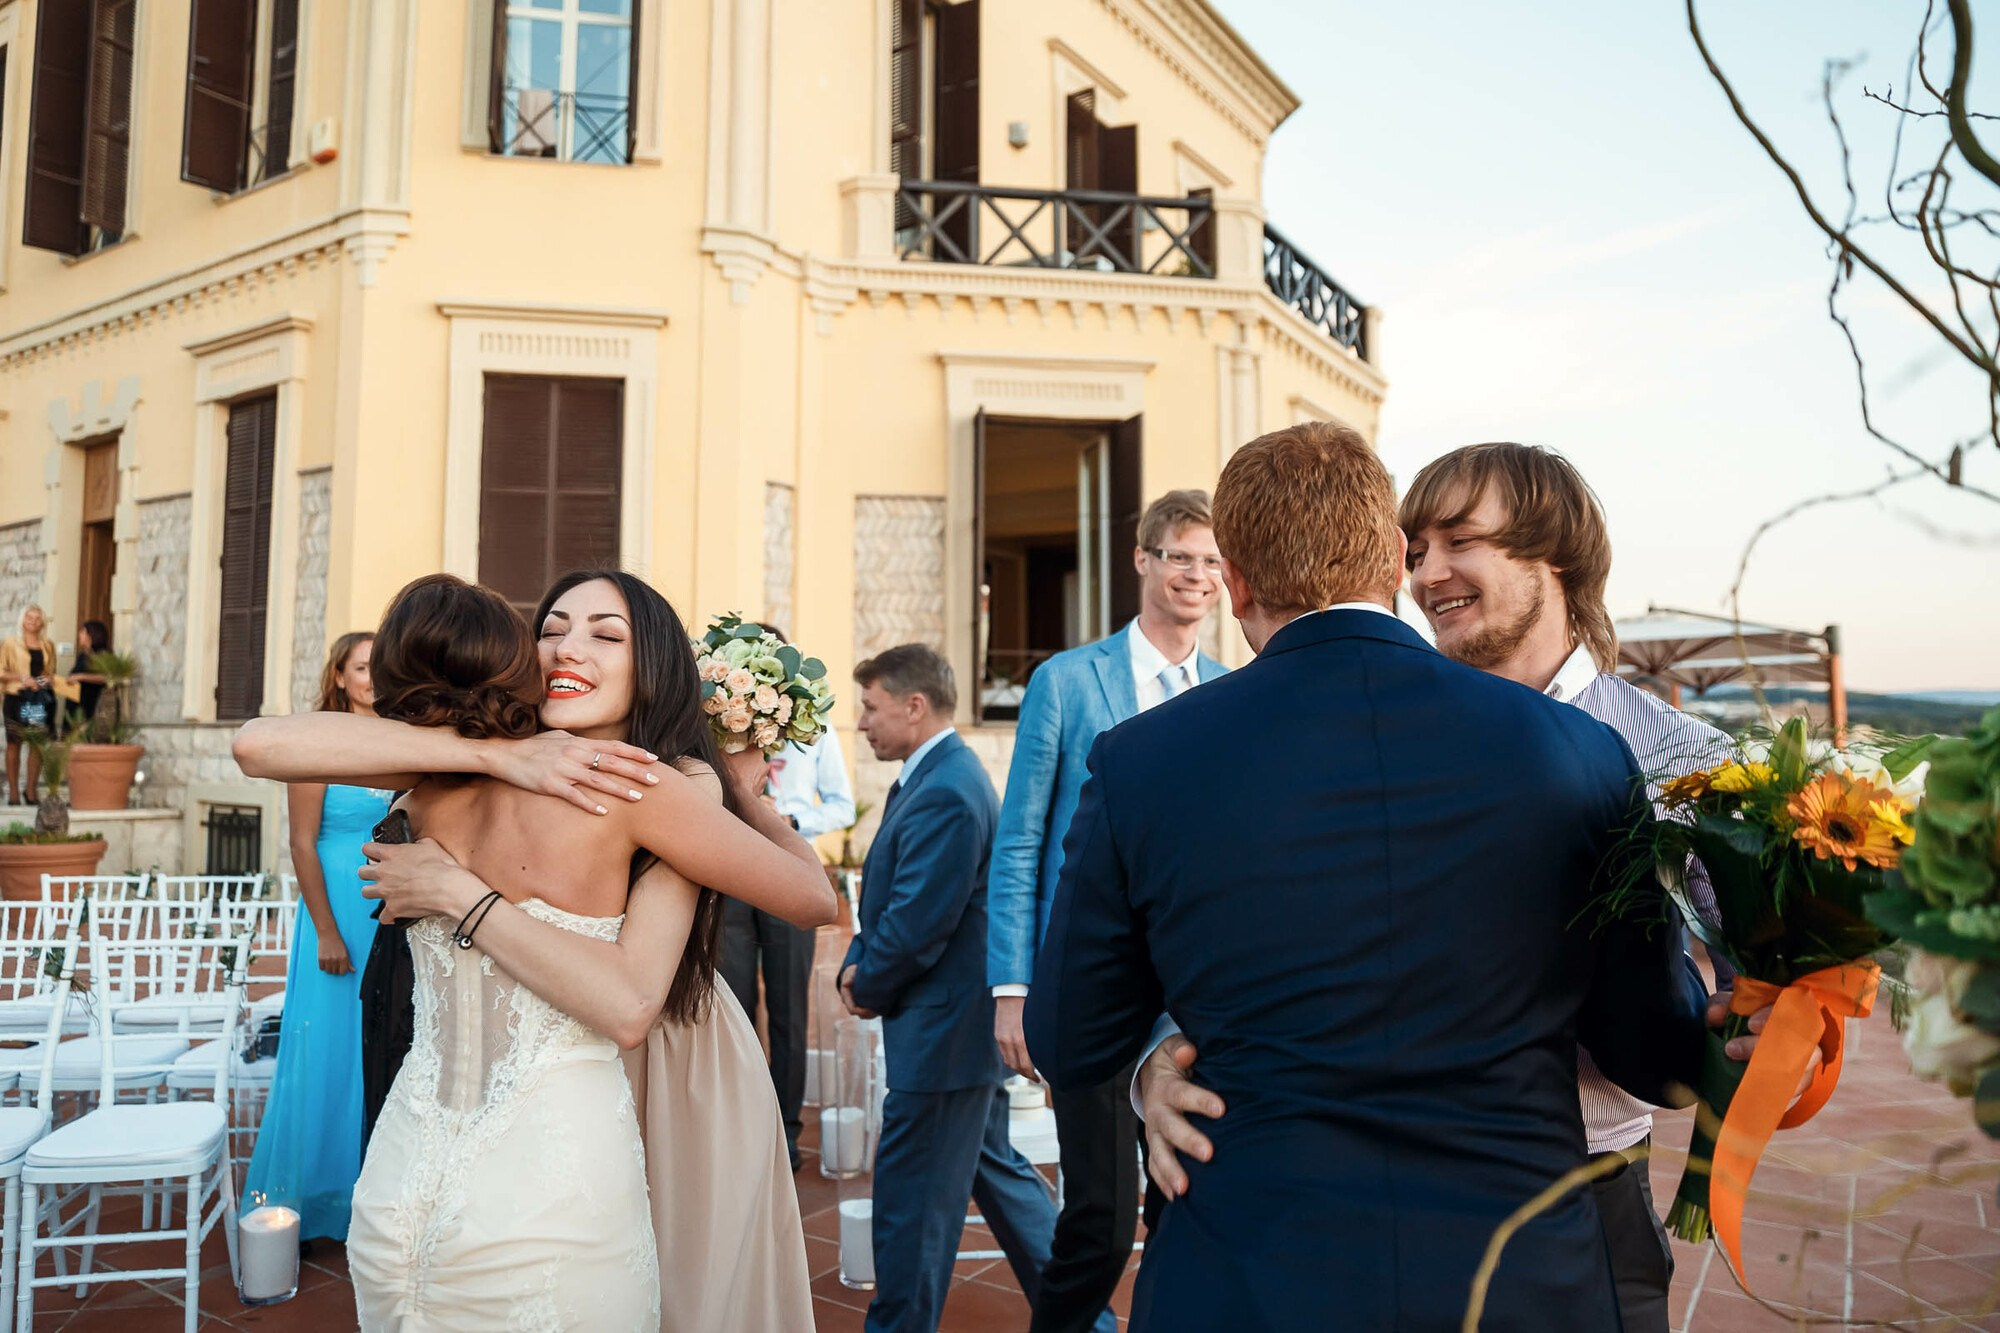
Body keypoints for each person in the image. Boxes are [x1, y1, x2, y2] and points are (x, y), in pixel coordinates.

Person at [1023, 422, 1709, 1332]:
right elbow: (1654, 1057)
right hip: (1516, 1275)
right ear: (1391, 559)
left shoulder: (1141, 759)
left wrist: (1156, 1060)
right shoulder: (1580, 750)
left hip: (1250, 1274)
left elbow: (1069, 1037)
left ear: (1236, 586)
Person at [232, 572, 829, 1331]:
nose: (568, 646)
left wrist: (730, 789)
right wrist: (507, 757)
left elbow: (261, 743)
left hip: (399, 1181)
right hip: (546, 1192)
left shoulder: (456, 775)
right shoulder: (582, 776)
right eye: (551, 628)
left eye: (606, 634)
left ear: (656, 666)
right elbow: (816, 896)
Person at [986, 489, 1226, 1333]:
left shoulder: (1232, 689)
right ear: (1144, 560)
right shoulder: (1066, 679)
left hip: (1192, 993)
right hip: (1087, 984)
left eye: (1212, 561)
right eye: (1181, 556)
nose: (1197, 574)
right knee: (1097, 1217)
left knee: (1181, 1204)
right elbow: (1020, 840)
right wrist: (1012, 986)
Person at [840, 644, 1059, 1333]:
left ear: (914, 705)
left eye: (870, 708)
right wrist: (858, 954)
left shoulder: (949, 788)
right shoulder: (931, 775)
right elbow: (888, 891)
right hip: (955, 1034)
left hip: (942, 1037)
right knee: (996, 1173)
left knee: (911, 1210)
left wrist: (865, 982)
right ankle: (1083, 1314)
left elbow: (915, 923)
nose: (861, 723)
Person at [240, 632, 390, 1241]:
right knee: (328, 1049)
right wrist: (326, 931)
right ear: (340, 676)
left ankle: (371, 1194)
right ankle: (316, 1200)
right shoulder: (320, 741)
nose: (374, 677)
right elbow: (302, 842)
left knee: (376, 1049)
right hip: (335, 913)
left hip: (386, 907)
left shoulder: (399, 736)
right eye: (362, 666)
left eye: (382, 665)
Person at [719, 623, 855, 1171]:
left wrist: (792, 820)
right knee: (731, 1003)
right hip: (728, 873)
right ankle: (737, 1127)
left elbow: (842, 805)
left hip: (789, 875)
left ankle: (788, 1130)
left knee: (789, 1010)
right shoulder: (719, 726)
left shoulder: (814, 728)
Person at [1, 605, 58, 803]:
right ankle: (14, 792)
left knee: (37, 744)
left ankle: (31, 791)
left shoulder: (47, 645)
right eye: (29, 617)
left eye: (37, 618)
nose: (33, 621)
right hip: (15, 697)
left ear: (42, 622)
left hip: (38, 699)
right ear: (22, 619)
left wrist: (42, 682)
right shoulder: (10, 643)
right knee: (14, 743)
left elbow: (49, 673)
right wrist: (21, 677)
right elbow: (1, 671)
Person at [67, 620, 113, 728]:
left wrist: (81, 677)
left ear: (91, 634)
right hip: (76, 703)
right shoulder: (83, 655)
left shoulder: (102, 655)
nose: (79, 635)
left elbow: (108, 677)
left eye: (83, 632)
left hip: (91, 703)